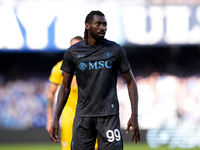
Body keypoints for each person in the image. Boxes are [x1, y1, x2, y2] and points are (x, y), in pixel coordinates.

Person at [50, 10, 140, 150]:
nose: (102, 27)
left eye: (104, 24)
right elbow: (65, 87)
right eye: (98, 24)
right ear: (87, 26)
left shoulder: (116, 50)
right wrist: (56, 117)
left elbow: (131, 82)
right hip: (83, 117)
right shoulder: (73, 52)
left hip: (109, 116)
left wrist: (134, 115)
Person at [46, 36, 98, 150]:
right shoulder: (60, 68)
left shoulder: (93, 66)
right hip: (69, 119)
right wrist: (50, 118)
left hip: (90, 117)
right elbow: (51, 94)